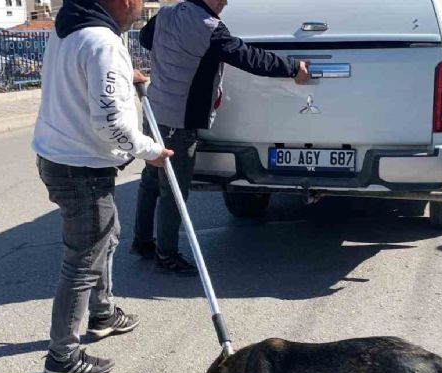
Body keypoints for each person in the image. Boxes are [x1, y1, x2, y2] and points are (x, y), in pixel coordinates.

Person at [32, 0, 174, 373]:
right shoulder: (102, 42)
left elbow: (90, 83)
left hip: (60, 157)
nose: (142, 6)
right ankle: (62, 356)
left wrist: (128, 76)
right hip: (81, 168)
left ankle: (103, 313)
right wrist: (151, 151)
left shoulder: (71, 27)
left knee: (106, 239)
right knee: (83, 260)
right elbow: (110, 124)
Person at [131, 0, 310, 275]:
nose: (226, 2)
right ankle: (166, 256)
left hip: (155, 111)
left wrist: (175, 54)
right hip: (179, 121)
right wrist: (292, 66)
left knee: (152, 179)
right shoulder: (209, 29)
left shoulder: (166, 13)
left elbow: (145, 38)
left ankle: (143, 242)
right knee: (174, 190)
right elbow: (250, 58)